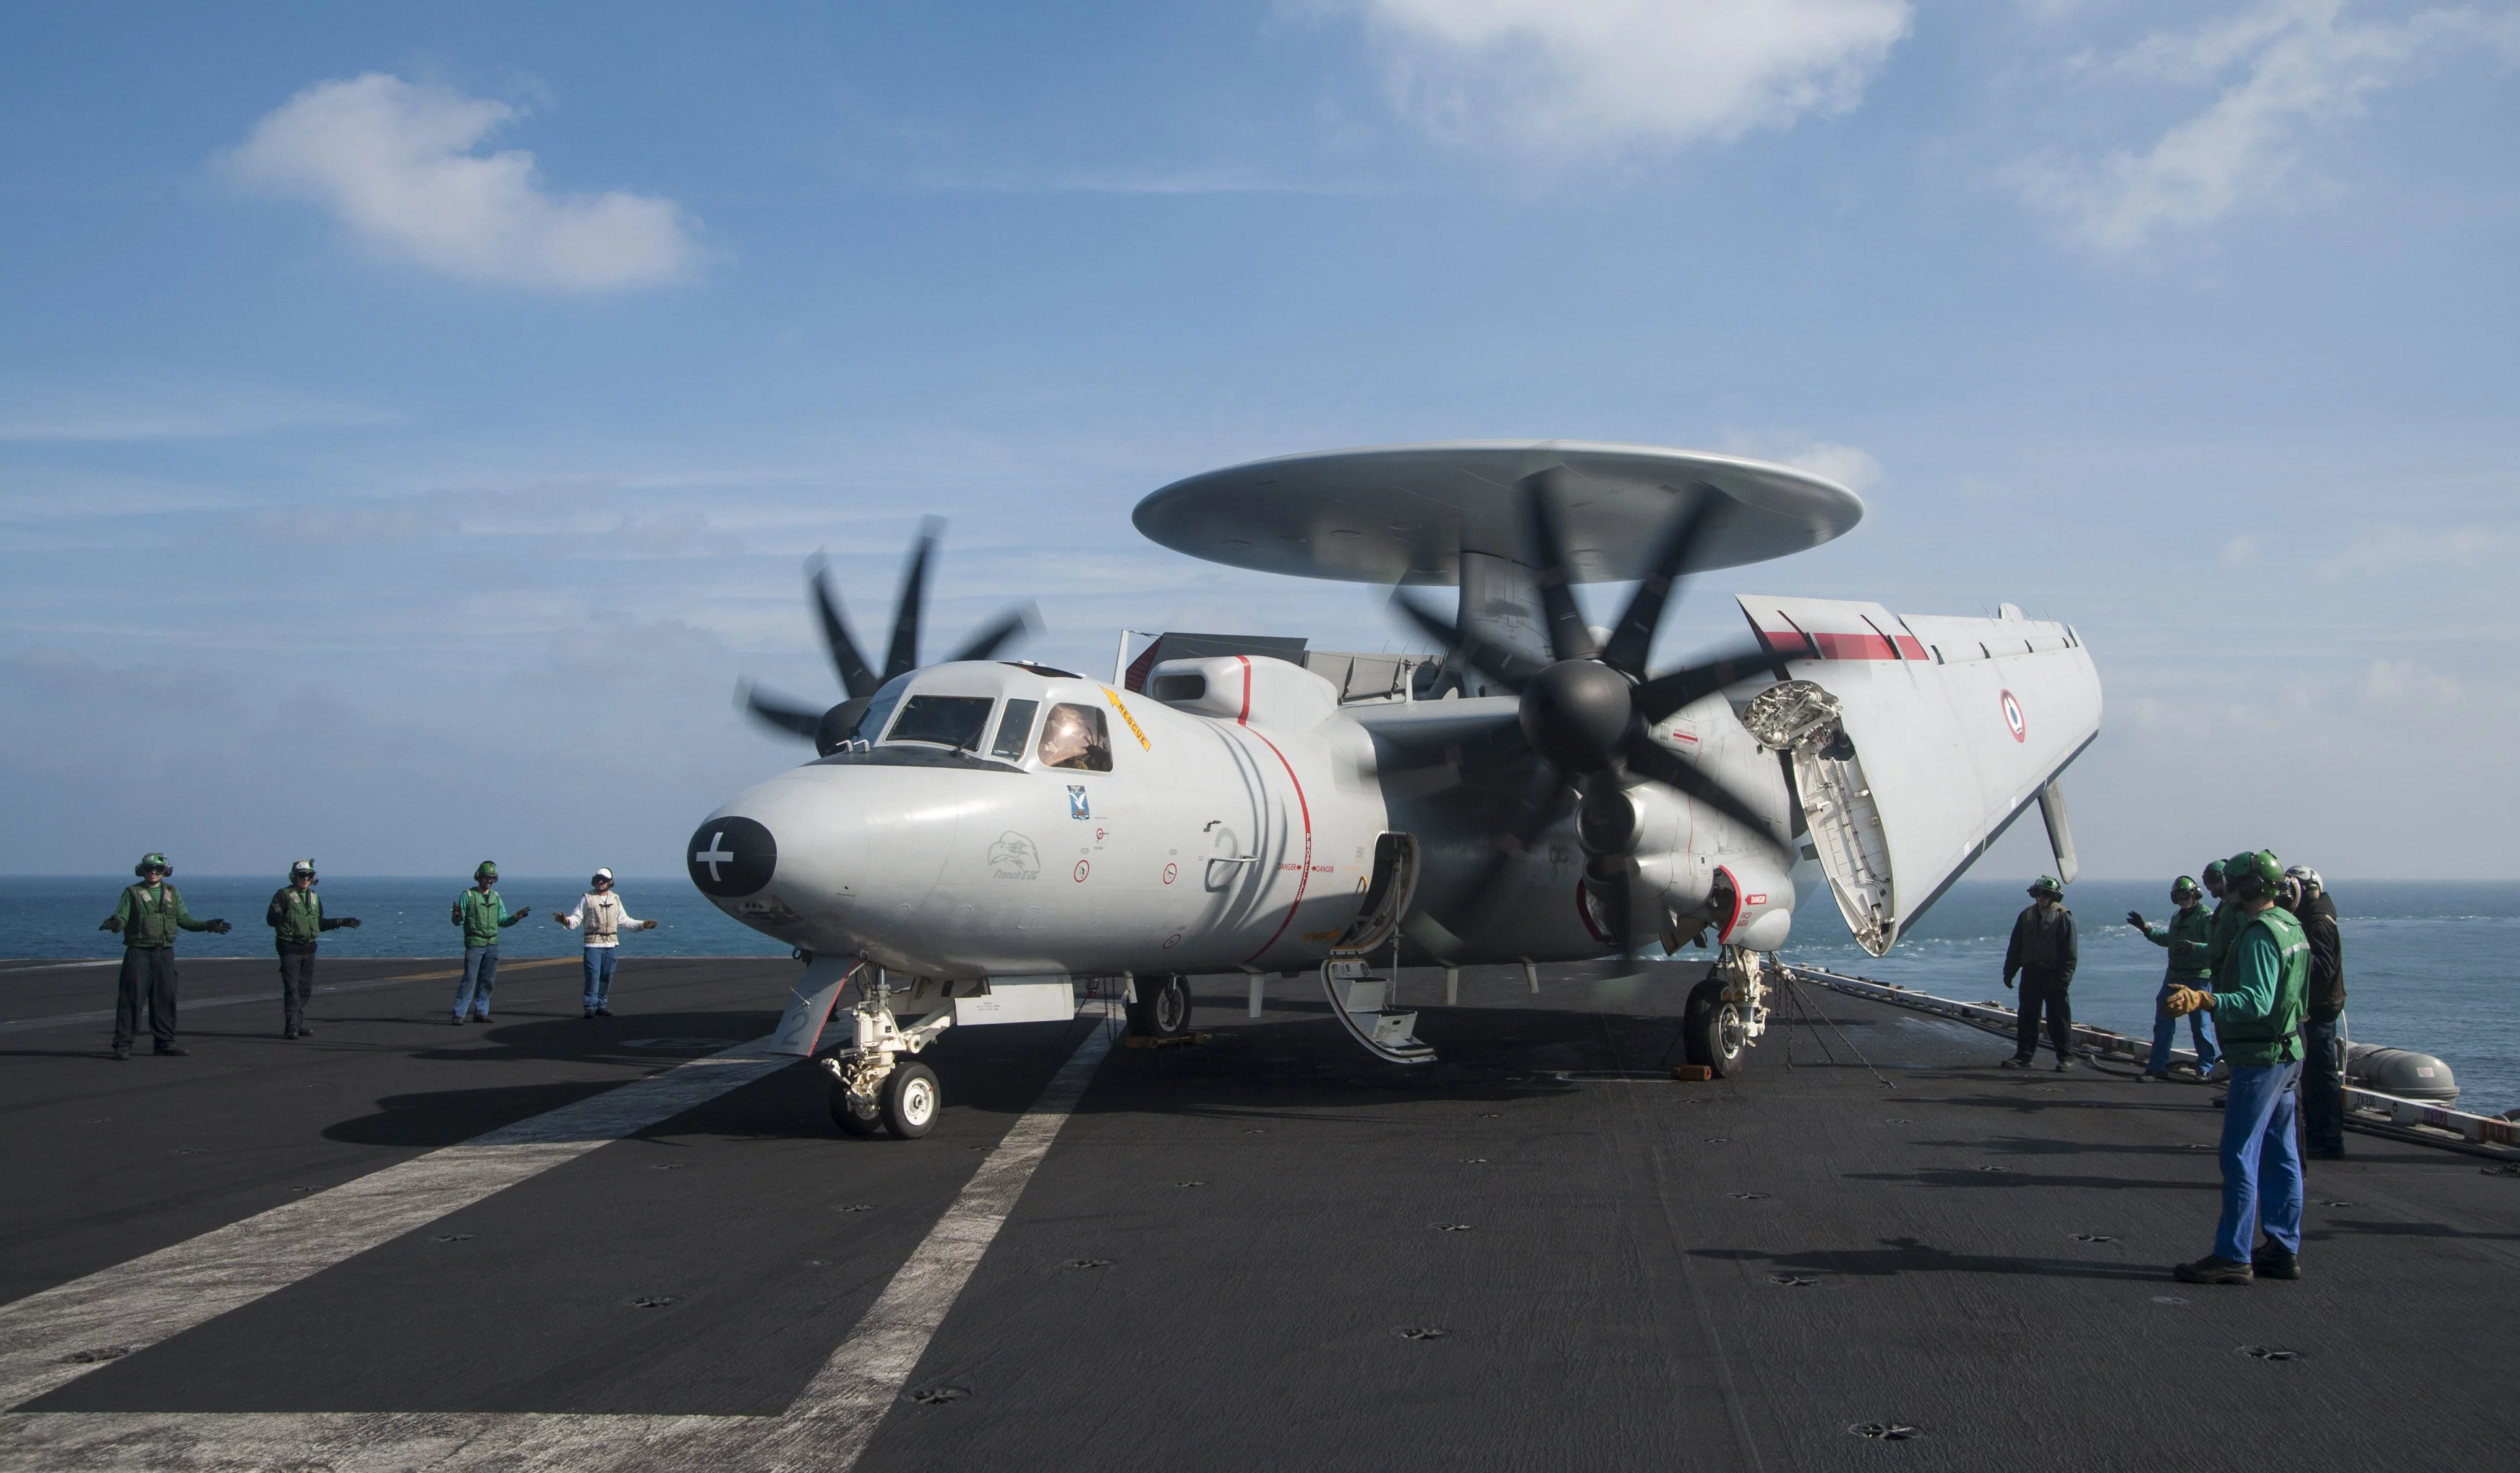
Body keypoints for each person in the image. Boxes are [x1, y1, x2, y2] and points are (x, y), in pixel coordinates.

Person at [2167, 850, 2310, 1285]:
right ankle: (2283, 1250)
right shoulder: (2291, 926)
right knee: (2282, 1153)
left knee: (2238, 1153)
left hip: (2260, 1058)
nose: (2224, 889)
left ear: (2248, 888)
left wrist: (2207, 999)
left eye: (2231, 883)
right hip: (2289, 1053)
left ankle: (2232, 1255)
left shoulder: (2259, 935)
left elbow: (2256, 1000)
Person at [97, 853, 229, 1060]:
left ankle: (165, 1043)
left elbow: (184, 919)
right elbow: (122, 917)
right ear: (142, 869)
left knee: (165, 999)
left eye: (158, 869)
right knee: (131, 1000)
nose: (153, 872)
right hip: (139, 953)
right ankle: (123, 1045)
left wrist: (207, 926)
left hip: (165, 954)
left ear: (165, 871)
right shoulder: (133, 893)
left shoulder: (172, 893)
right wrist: (115, 924)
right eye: (150, 868)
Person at [2128, 876, 2218, 1079]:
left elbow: (2214, 948)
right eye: (2178, 897)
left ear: (2195, 895)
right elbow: (2169, 940)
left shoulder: (2206, 917)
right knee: (2163, 1021)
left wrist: (2195, 947)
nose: (2182, 900)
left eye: (2185, 896)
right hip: (2174, 976)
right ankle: (2157, 1065)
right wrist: (2147, 930)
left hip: (2198, 977)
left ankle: (2205, 1068)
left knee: (2200, 1024)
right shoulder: (2177, 917)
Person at [2285, 864, 2347, 1159]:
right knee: (2312, 1074)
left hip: (2319, 1007)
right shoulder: (2309, 918)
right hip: (2316, 1004)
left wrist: (2291, 959)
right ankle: (2318, 1135)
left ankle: (2329, 1140)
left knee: (2321, 1074)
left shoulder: (2318, 922)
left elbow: (2323, 967)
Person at [264, 859, 359, 1039]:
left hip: (309, 949)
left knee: (305, 990)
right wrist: (275, 914)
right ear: (294, 877)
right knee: (292, 989)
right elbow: (271, 921)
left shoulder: (314, 897)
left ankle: (297, 1024)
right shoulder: (283, 895)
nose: (306, 879)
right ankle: (291, 1026)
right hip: (289, 948)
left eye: (309, 875)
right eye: (302, 875)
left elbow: (319, 924)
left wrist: (341, 922)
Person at [555, 867, 657, 1018]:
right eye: (597, 879)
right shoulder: (587, 898)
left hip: (611, 944)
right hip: (593, 944)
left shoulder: (615, 899)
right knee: (593, 976)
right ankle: (590, 1006)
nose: (600, 882)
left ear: (610, 882)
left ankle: (601, 1005)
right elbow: (576, 918)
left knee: (607, 976)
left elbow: (624, 920)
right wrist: (566, 921)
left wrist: (642, 925)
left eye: (603, 879)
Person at [2000, 876, 2079, 1071]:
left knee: (2058, 1018)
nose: (2041, 898)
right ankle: (2024, 1056)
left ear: (2054, 897)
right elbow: (2016, 946)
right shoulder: (2025, 916)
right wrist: (2009, 972)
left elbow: (2070, 953)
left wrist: (2064, 979)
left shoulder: (2063, 918)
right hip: (2031, 974)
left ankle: (2066, 1058)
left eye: (2046, 895)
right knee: (2027, 1016)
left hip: (2054, 975)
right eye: (2038, 894)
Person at [450, 862, 529, 1024]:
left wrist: (516, 918)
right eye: (487, 878)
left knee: (487, 981)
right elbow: (458, 921)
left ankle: (481, 1012)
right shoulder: (468, 896)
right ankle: (459, 1014)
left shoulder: (496, 897)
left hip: (492, 944)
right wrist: (457, 915)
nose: (489, 881)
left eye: (492, 878)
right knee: (470, 979)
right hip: (475, 943)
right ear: (479, 877)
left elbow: (501, 920)